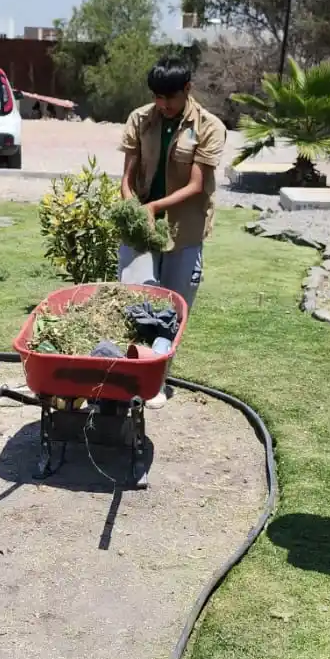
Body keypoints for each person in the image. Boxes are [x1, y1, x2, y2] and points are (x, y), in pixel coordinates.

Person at [117, 58, 226, 407]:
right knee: (136, 302)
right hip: (141, 231)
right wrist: (134, 208)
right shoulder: (139, 119)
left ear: (187, 90)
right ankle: (131, 376)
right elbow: (127, 178)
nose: (163, 104)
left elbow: (197, 185)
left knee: (172, 311)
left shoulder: (209, 127)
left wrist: (153, 208)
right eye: (157, 97)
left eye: (170, 97)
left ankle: (156, 381)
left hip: (184, 231)